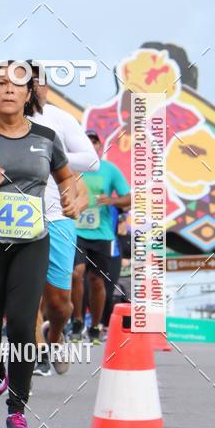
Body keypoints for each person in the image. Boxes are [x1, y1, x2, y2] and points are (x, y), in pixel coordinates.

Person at [0, 63, 77, 428]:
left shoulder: (46, 137)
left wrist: (72, 197)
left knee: (21, 327)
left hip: (31, 243)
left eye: (17, 85)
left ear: (29, 94)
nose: (9, 90)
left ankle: (17, 411)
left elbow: (67, 179)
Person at [28, 66, 98, 374]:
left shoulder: (59, 119)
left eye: (39, 83)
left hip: (57, 217)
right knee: (25, 292)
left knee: (59, 302)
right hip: (13, 217)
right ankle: (36, 352)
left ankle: (54, 334)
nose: (33, 88)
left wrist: (46, 156)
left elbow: (91, 160)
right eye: (25, 83)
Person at [71, 130, 131, 343]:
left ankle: (95, 326)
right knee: (76, 274)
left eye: (94, 142)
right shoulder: (71, 166)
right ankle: (77, 321)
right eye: (86, 141)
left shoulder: (109, 170)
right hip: (75, 230)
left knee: (97, 282)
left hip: (102, 233)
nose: (91, 145)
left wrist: (112, 201)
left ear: (100, 146)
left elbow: (129, 198)